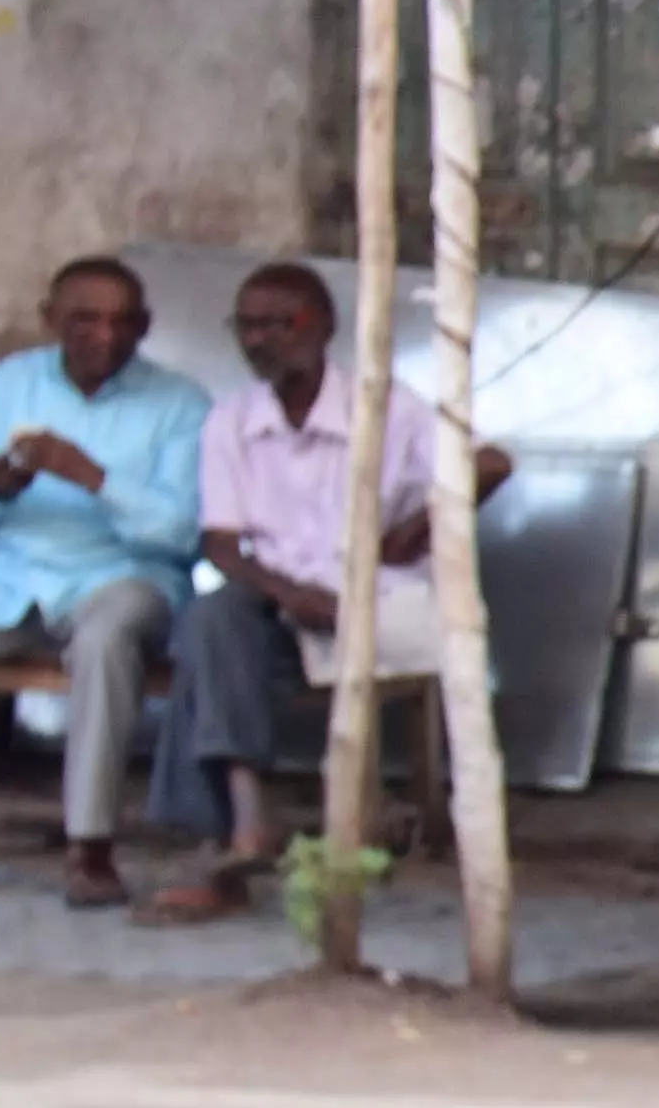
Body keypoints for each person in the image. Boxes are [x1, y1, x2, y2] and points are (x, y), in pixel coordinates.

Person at [142, 263, 505, 921]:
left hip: (375, 605)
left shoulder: (389, 407)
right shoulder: (232, 419)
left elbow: (491, 462)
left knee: (205, 649)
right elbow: (222, 544)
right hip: (279, 609)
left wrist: (421, 523)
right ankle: (245, 816)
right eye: (246, 326)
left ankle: (216, 839)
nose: (260, 340)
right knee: (211, 619)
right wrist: (288, 593)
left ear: (324, 327)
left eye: (279, 323)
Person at [0, 256, 211, 906]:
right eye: (85, 319)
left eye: (123, 322)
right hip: (13, 575)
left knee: (104, 641)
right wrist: (0, 486)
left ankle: (89, 848)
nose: (105, 335)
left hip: (124, 576)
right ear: (50, 321)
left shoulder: (180, 403)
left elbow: (183, 532)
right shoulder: (13, 382)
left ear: (145, 326)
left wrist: (92, 476)